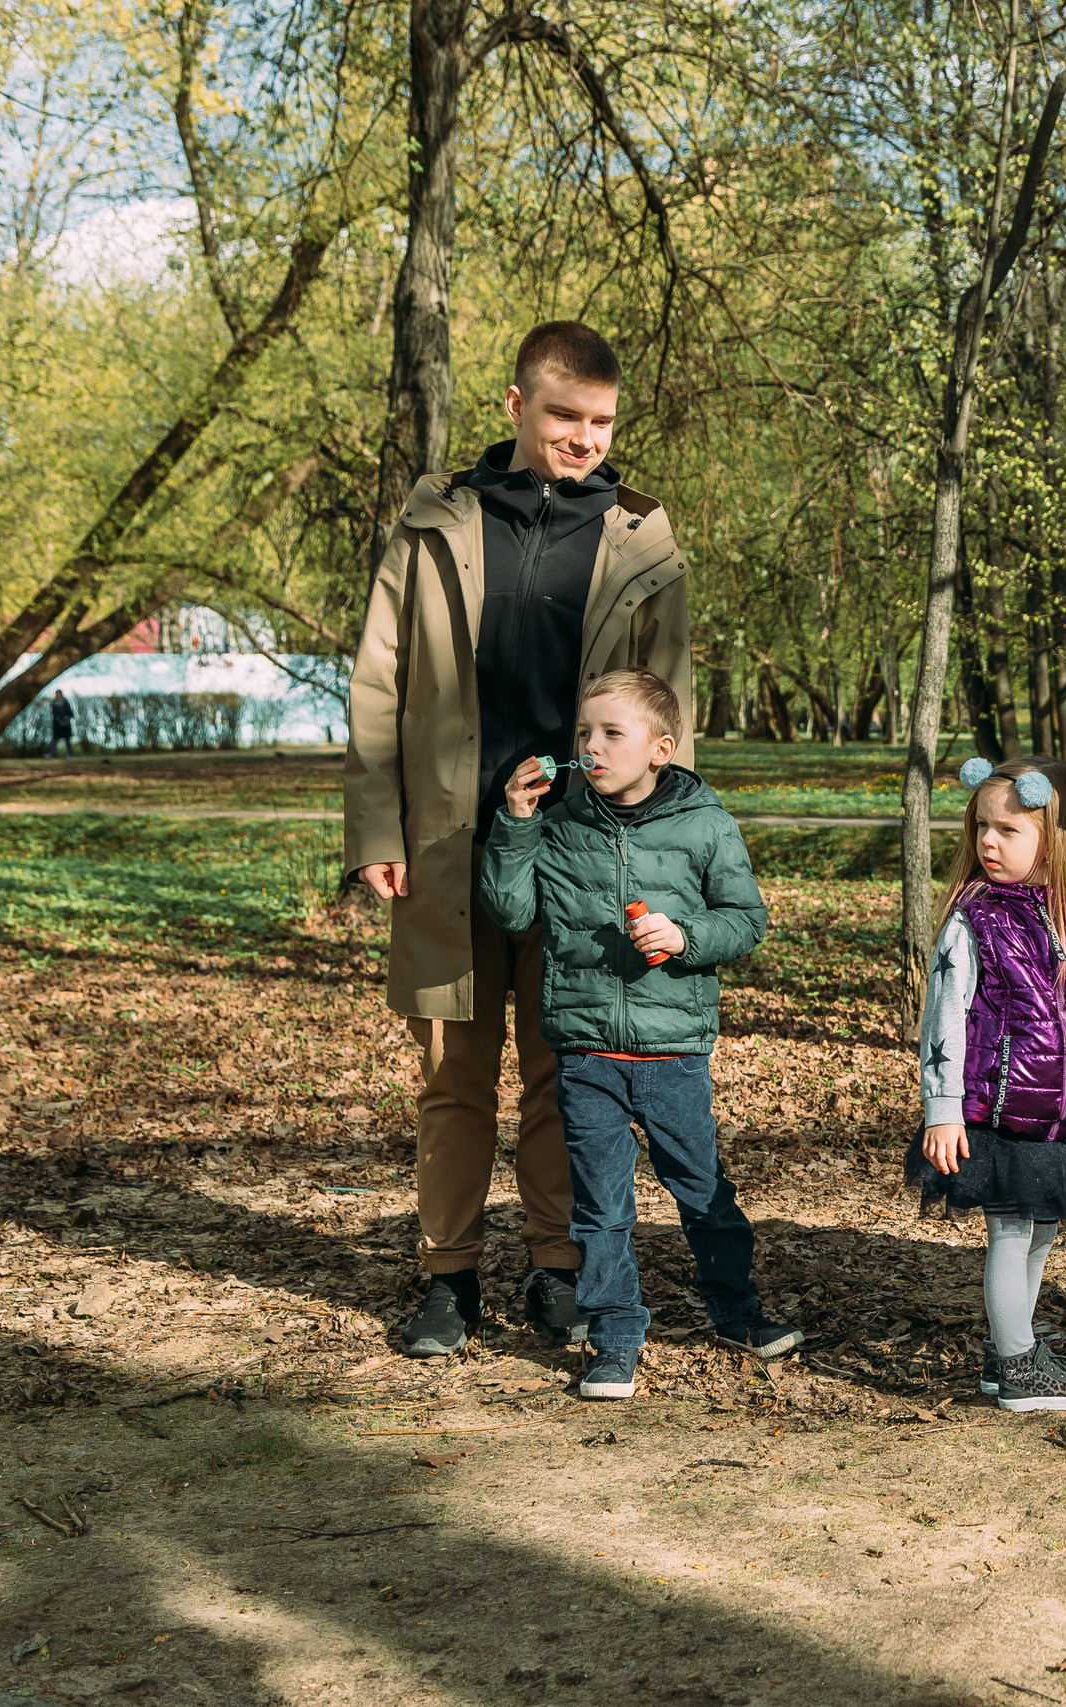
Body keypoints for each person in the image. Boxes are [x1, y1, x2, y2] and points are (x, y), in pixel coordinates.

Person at [345, 320, 695, 1358]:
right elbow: (378, 685)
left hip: (580, 854)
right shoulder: (433, 524)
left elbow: (668, 718)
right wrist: (377, 826)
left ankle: (556, 1269)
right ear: (515, 407)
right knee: (453, 1077)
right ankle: (447, 1278)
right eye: (563, 416)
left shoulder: (643, 542)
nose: (584, 439)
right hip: (446, 849)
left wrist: (654, 852)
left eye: (600, 422)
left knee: (563, 1072)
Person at [479, 669, 789, 1399]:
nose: (591, 746)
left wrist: (683, 935)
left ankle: (738, 1314)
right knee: (601, 1208)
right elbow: (510, 909)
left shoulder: (706, 823)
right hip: (586, 1052)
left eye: (611, 733)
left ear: (660, 749)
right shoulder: (558, 827)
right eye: (583, 733)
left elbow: (746, 920)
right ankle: (614, 1336)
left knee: (703, 1190)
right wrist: (516, 823)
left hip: (674, 1054)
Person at [907, 756, 1066, 1415]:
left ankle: (1009, 1345)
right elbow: (943, 1017)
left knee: (1039, 1232)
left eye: (1007, 829)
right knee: (1013, 1232)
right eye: (981, 825)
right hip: (998, 1120)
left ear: (1058, 836)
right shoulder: (974, 921)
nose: (986, 841)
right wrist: (942, 1108)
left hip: (1063, 1125)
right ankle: (1017, 1368)